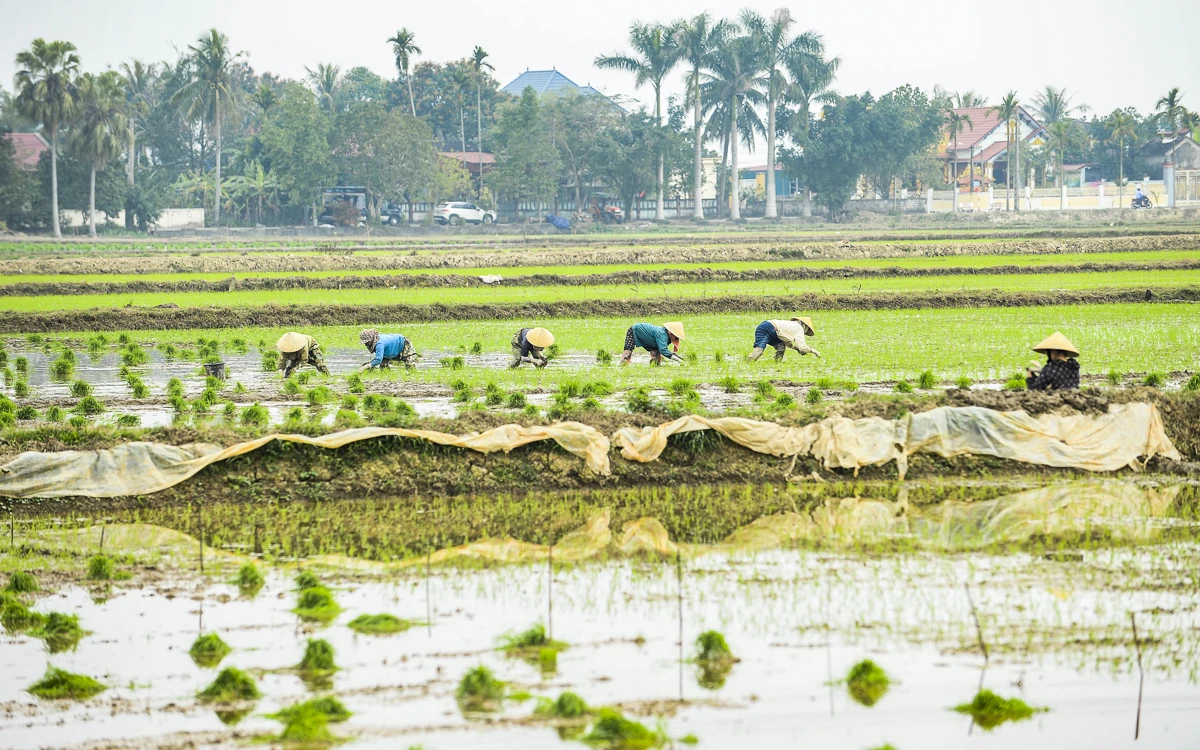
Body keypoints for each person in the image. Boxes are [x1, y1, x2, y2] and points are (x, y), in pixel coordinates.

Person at [748, 317, 822, 362]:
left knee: (781, 347)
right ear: (806, 326)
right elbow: (802, 348)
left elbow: (787, 342)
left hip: (770, 327)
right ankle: (749, 361)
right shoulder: (799, 329)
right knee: (759, 349)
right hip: (767, 328)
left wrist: (796, 349)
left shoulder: (792, 325)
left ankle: (777, 362)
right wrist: (813, 351)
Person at [620, 322, 685, 366]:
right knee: (628, 350)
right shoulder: (662, 334)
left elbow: (663, 349)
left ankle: (652, 367)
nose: (676, 339)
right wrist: (678, 360)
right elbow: (664, 351)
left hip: (650, 340)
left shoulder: (667, 337)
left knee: (656, 362)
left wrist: (681, 358)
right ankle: (622, 365)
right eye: (676, 337)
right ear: (671, 333)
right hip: (635, 330)